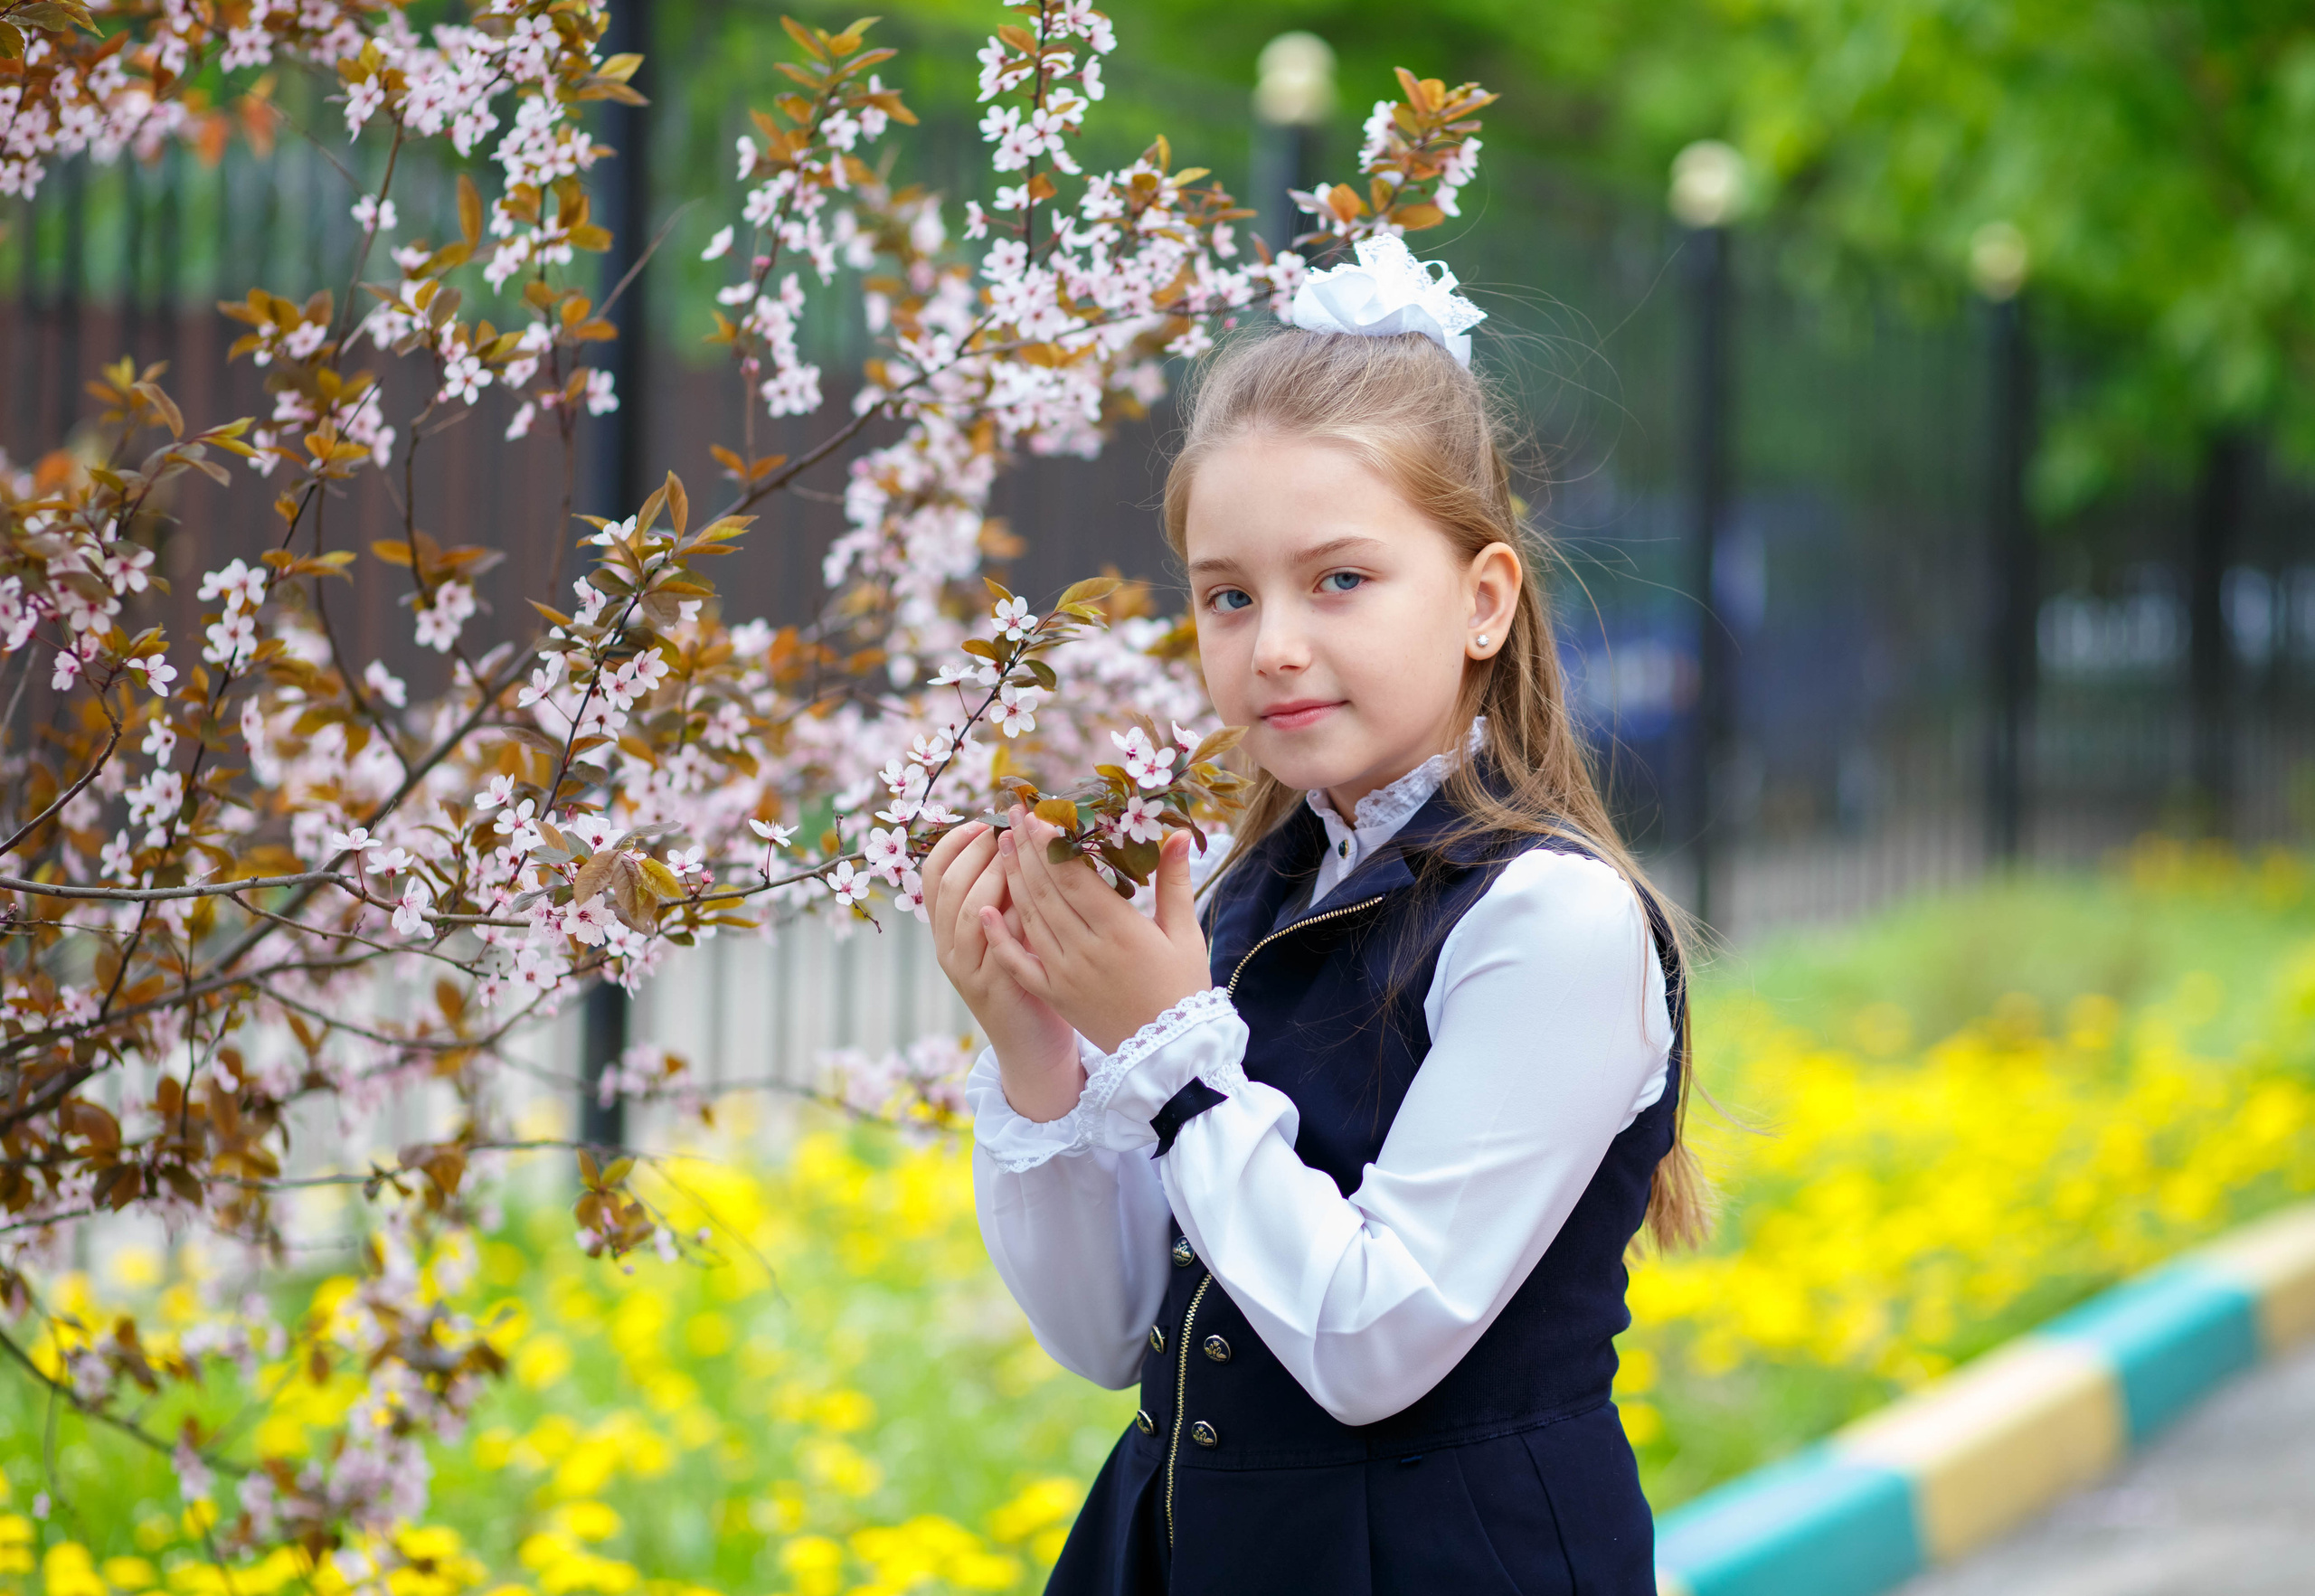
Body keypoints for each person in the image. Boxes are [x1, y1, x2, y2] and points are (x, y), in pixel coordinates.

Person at [920, 236, 1707, 1596]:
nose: (1271, 641)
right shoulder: (1247, 898)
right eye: (1229, 594)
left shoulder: (1555, 920)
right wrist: (1037, 1047)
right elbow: (1114, 1333)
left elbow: (1367, 1340)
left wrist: (1168, 1045)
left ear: (1482, 600)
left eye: (1338, 578)